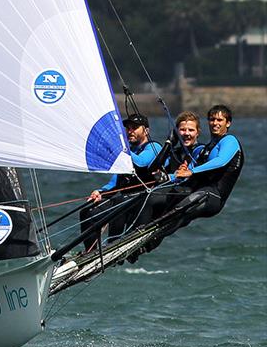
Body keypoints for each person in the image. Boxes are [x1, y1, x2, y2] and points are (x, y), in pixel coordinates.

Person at [133, 104, 244, 253]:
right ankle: (137, 241)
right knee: (153, 197)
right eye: (212, 119)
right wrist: (167, 177)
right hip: (198, 193)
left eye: (220, 120)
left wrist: (192, 172)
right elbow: (183, 175)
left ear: (228, 123)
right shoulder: (205, 148)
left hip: (213, 196)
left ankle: (148, 238)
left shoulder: (230, 141)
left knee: (183, 207)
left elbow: (220, 161)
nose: (215, 123)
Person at [78, 114, 161, 251]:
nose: (130, 131)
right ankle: (91, 252)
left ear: (146, 131)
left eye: (134, 128)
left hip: (141, 200)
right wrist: (101, 192)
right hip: (124, 199)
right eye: (128, 128)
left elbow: (141, 163)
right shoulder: (129, 150)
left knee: (119, 202)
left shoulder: (153, 147)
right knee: (88, 210)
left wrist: (120, 149)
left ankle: (112, 245)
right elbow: (115, 181)